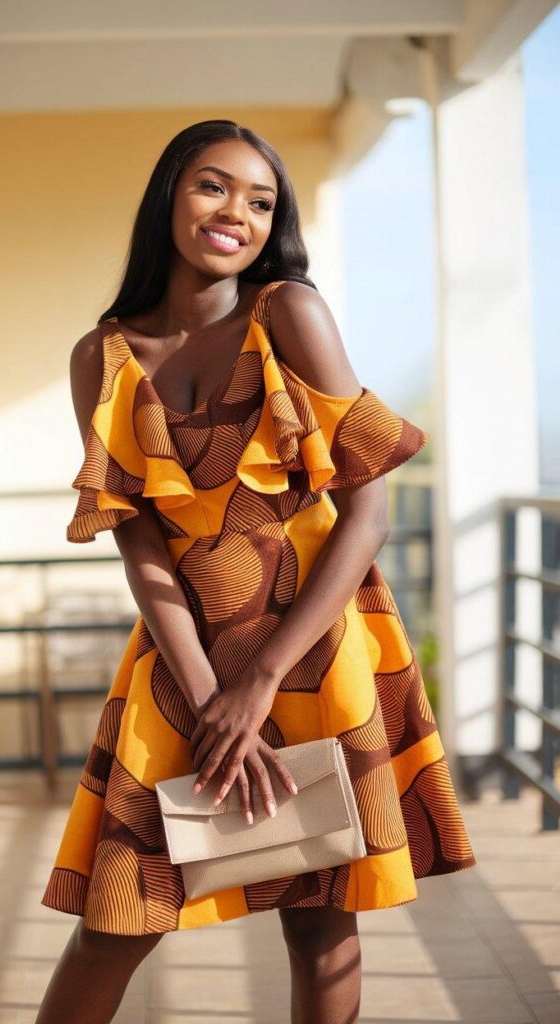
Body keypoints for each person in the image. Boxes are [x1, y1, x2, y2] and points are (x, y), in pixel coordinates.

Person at [36, 118, 476, 1024]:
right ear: (169, 195)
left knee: (321, 924)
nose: (235, 211)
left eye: (259, 199)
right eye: (212, 185)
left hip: (314, 646)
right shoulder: (101, 357)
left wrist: (263, 680)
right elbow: (139, 541)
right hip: (183, 659)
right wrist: (207, 700)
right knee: (117, 914)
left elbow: (369, 509)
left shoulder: (288, 313)